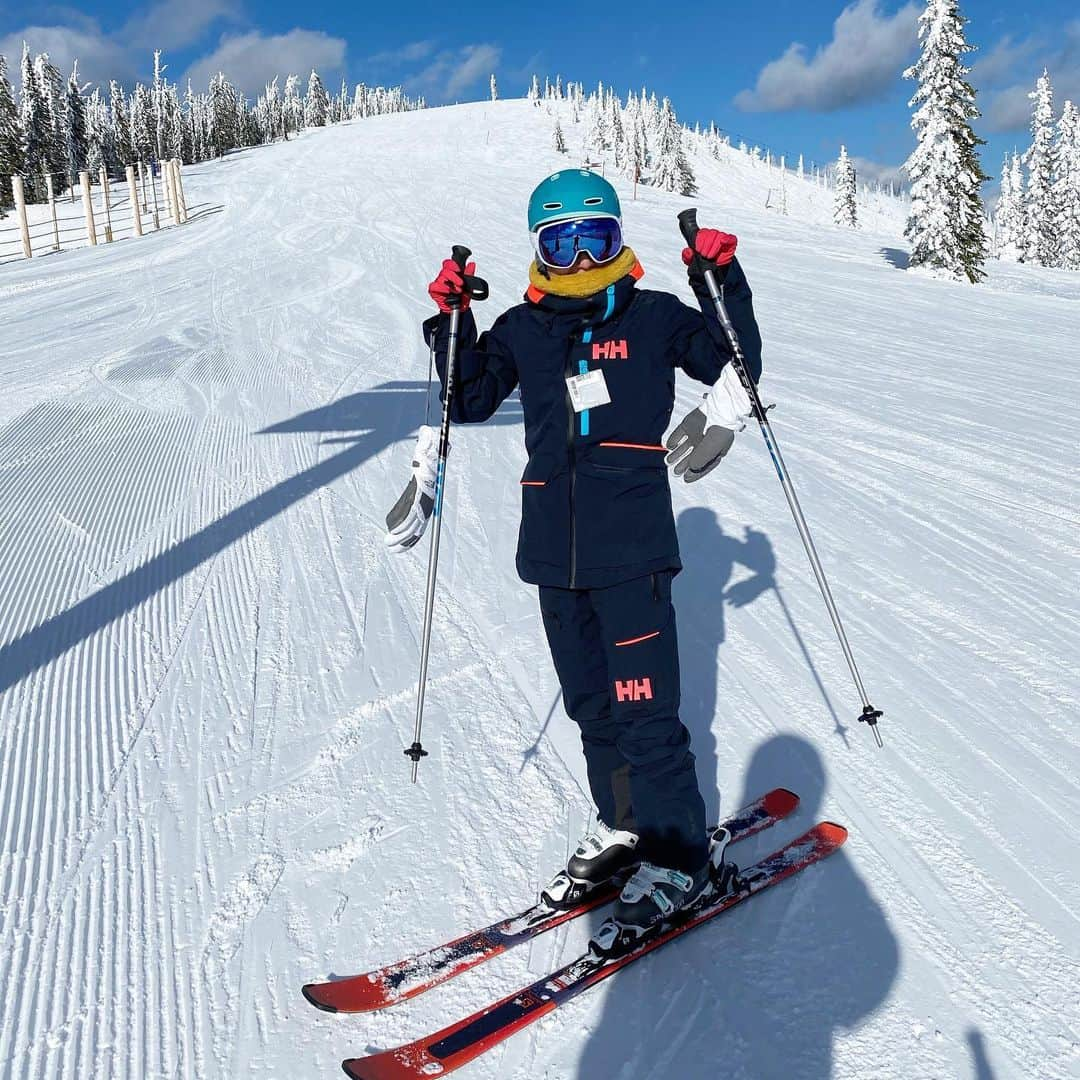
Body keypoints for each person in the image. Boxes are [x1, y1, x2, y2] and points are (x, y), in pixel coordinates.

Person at [386, 170, 763, 945]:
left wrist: (721, 277)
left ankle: (680, 856)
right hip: (553, 557)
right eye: (563, 240)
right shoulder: (524, 331)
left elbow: (733, 361)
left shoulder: (657, 317)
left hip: (631, 553)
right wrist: (452, 321)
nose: (581, 253)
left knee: (645, 715)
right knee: (593, 707)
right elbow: (468, 399)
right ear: (540, 250)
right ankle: (624, 827)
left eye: (597, 235)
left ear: (619, 238)